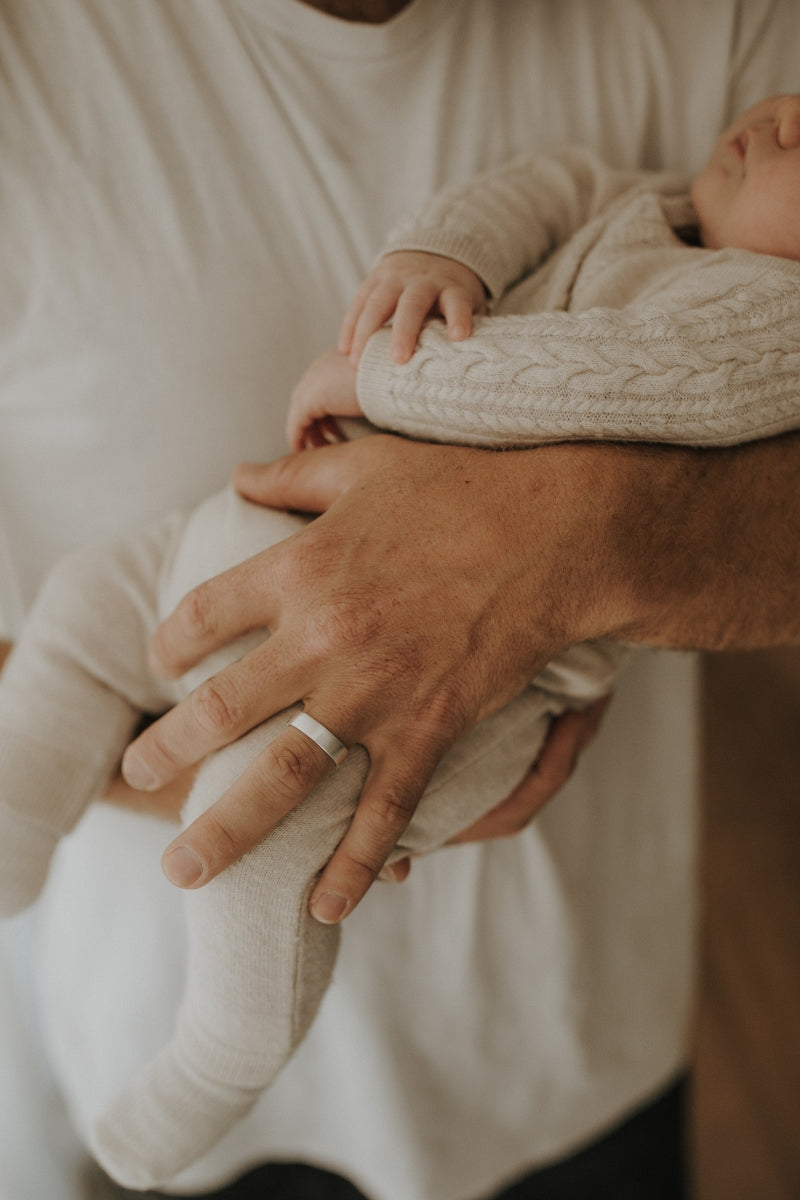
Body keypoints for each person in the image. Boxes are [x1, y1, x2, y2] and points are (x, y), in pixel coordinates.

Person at [1, 3, 799, 1199]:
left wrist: (519, 511)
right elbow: (534, 188)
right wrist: (441, 262)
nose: (788, 124)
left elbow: (592, 378)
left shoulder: (759, 317)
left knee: (271, 863)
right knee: (80, 608)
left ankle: (223, 1049)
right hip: (224, 595)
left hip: (551, 976)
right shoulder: (651, 200)